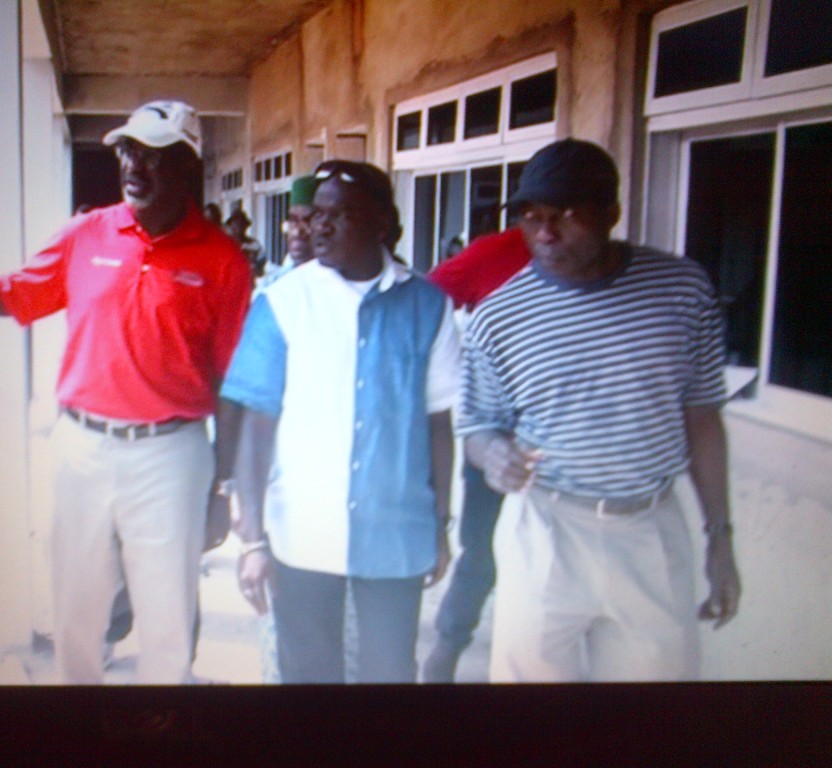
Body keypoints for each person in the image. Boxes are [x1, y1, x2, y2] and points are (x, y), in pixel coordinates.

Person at [0, 100, 254, 684]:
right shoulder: (88, 233)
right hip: (81, 448)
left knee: (167, 622)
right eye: (128, 150)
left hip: (172, 453)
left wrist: (221, 487)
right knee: (76, 615)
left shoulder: (222, 261)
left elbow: (233, 384)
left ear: (186, 165)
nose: (134, 165)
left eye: (153, 154)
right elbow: (10, 296)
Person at [458, 138, 741, 682]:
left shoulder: (682, 289)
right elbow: (476, 424)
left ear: (611, 214)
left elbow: (704, 418)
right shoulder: (499, 316)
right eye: (532, 217)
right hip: (545, 530)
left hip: (649, 530)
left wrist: (720, 539)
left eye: (568, 216)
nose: (546, 234)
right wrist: (493, 452)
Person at [221, 160, 460, 683]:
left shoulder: (427, 305)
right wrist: (253, 539)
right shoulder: (284, 302)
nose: (319, 227)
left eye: (339, 215)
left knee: (391, 674)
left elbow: (438, 423)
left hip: (395, 530)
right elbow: (258, 423)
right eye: (316, 216)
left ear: (381, 224)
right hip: (301, 531)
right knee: (308, 673)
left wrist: (440, 525)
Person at [421, 226, 531, 682]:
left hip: (565, 443)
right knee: (480, 546)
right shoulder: (497, 252)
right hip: (493, 430)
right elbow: (427, 297)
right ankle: (449, 643)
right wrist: (457, 354)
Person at [256, 175, 318, 290]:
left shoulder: (338, 286)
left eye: (307, 221)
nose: (297, 231)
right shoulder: (271, 286)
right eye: (293, 220)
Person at [224, 209, 266, 278]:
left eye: (241, 224)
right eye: (236, 223)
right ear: (231, 226)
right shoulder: (226, 245)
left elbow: (261, 268)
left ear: (246, 226)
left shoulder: (254, 244)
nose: (239, 226)